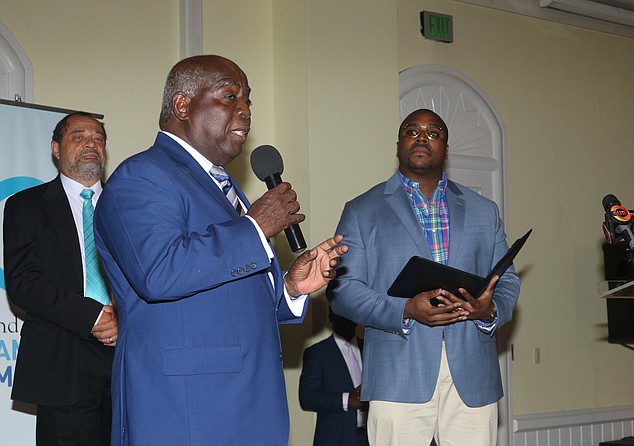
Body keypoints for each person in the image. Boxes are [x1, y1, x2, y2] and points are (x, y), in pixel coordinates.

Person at [93, 54, 347, 446]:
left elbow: (226, 298)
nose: (245, 111)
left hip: (248, 403)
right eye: (230, 96)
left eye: (249, 100)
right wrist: (256, 226)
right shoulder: (141, 176)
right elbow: (159, 273)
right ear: (182, 105)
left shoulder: (221, 187)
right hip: (187, 408)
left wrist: (289, 288)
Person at [327, 108, 521, 446]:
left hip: (473, 376)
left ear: (446, 150)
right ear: (398, 144)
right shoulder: (362, 210)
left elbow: (506, 281)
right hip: (398, 373)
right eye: (411, 130)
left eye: (433, 132)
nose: (421, 137)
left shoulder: (483, 210)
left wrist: (488, 311)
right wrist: (404, 310)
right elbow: (342, 290)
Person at [3, 112, 118, 446]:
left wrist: (122, 316)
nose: (91, 144)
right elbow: (24, 282)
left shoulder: (129, 206)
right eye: (78, 136)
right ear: (56, 148)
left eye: (98, 138)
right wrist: (94, 316)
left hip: (128, 355)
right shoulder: (26, 205)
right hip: (62, 359)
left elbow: (152, 275)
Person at [299, 306, 369, 446]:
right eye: (339, 314)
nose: (345, 319)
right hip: (336, 439)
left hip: (371, 437)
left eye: (349, 314)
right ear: (330, 316)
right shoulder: (318, 353)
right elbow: (307, 398)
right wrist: (347, 399)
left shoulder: (369, 348)